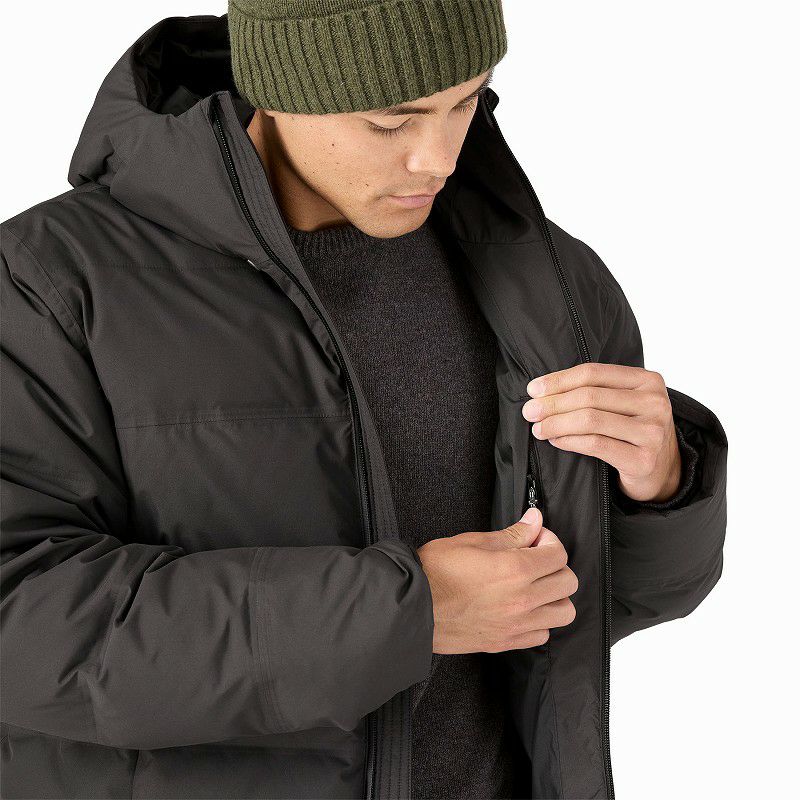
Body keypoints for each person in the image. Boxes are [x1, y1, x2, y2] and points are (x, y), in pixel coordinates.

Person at [0, 2, 727, 799]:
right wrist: (406, 615)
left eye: (466, 102)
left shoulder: (544, 283)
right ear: (279, 91)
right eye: (392, 120)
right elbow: (24, 629)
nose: (437, 158)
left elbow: (581, 624)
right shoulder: (48, 284)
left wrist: (659, 491)